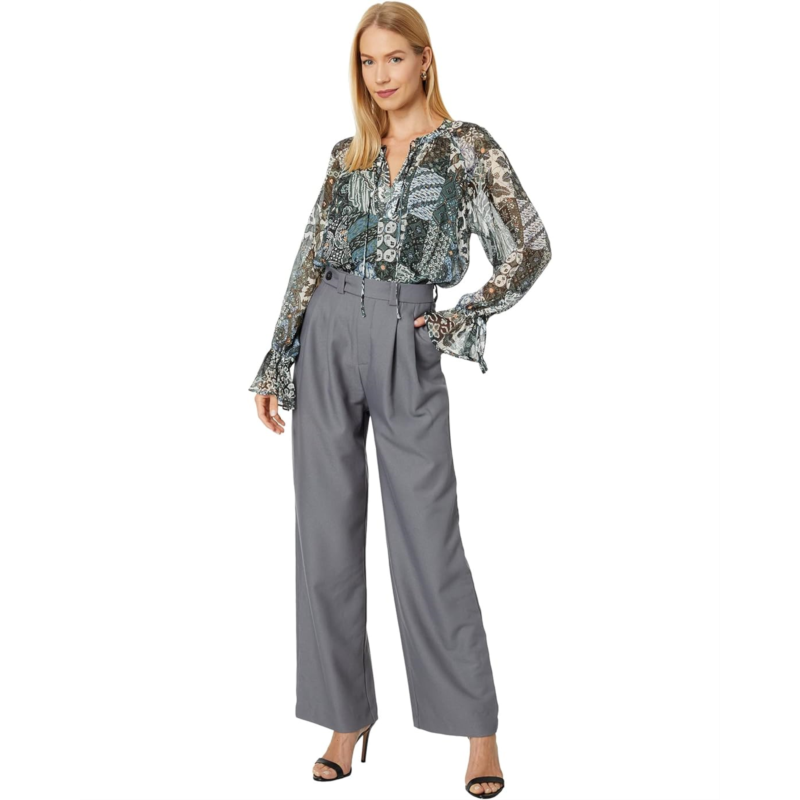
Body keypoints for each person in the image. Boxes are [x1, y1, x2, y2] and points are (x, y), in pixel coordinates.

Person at [249, 3, 552, 796]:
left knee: (429, 541)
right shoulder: (347, 153)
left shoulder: (466, 148)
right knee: (324, 539)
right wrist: (277, 359)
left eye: (393, 59)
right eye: (367, 62)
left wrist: (459, 319)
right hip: (326, 333)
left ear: (424, 59)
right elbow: (309, 256)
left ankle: (478, 732)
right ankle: (345, 718)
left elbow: (531, 245)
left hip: (405, 335)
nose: (380, 76)